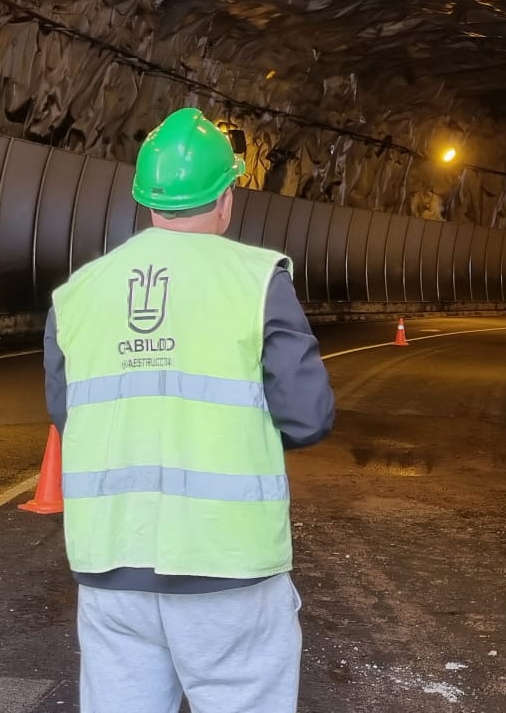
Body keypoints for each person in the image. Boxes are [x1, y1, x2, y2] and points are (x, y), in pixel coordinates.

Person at [41, 107, 335, 713]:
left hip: (110, 562)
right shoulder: (257, 280)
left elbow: (73, 415)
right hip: (228, 566)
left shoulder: (76, 294)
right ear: (226, 197)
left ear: (145, 199)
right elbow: (307, 416)